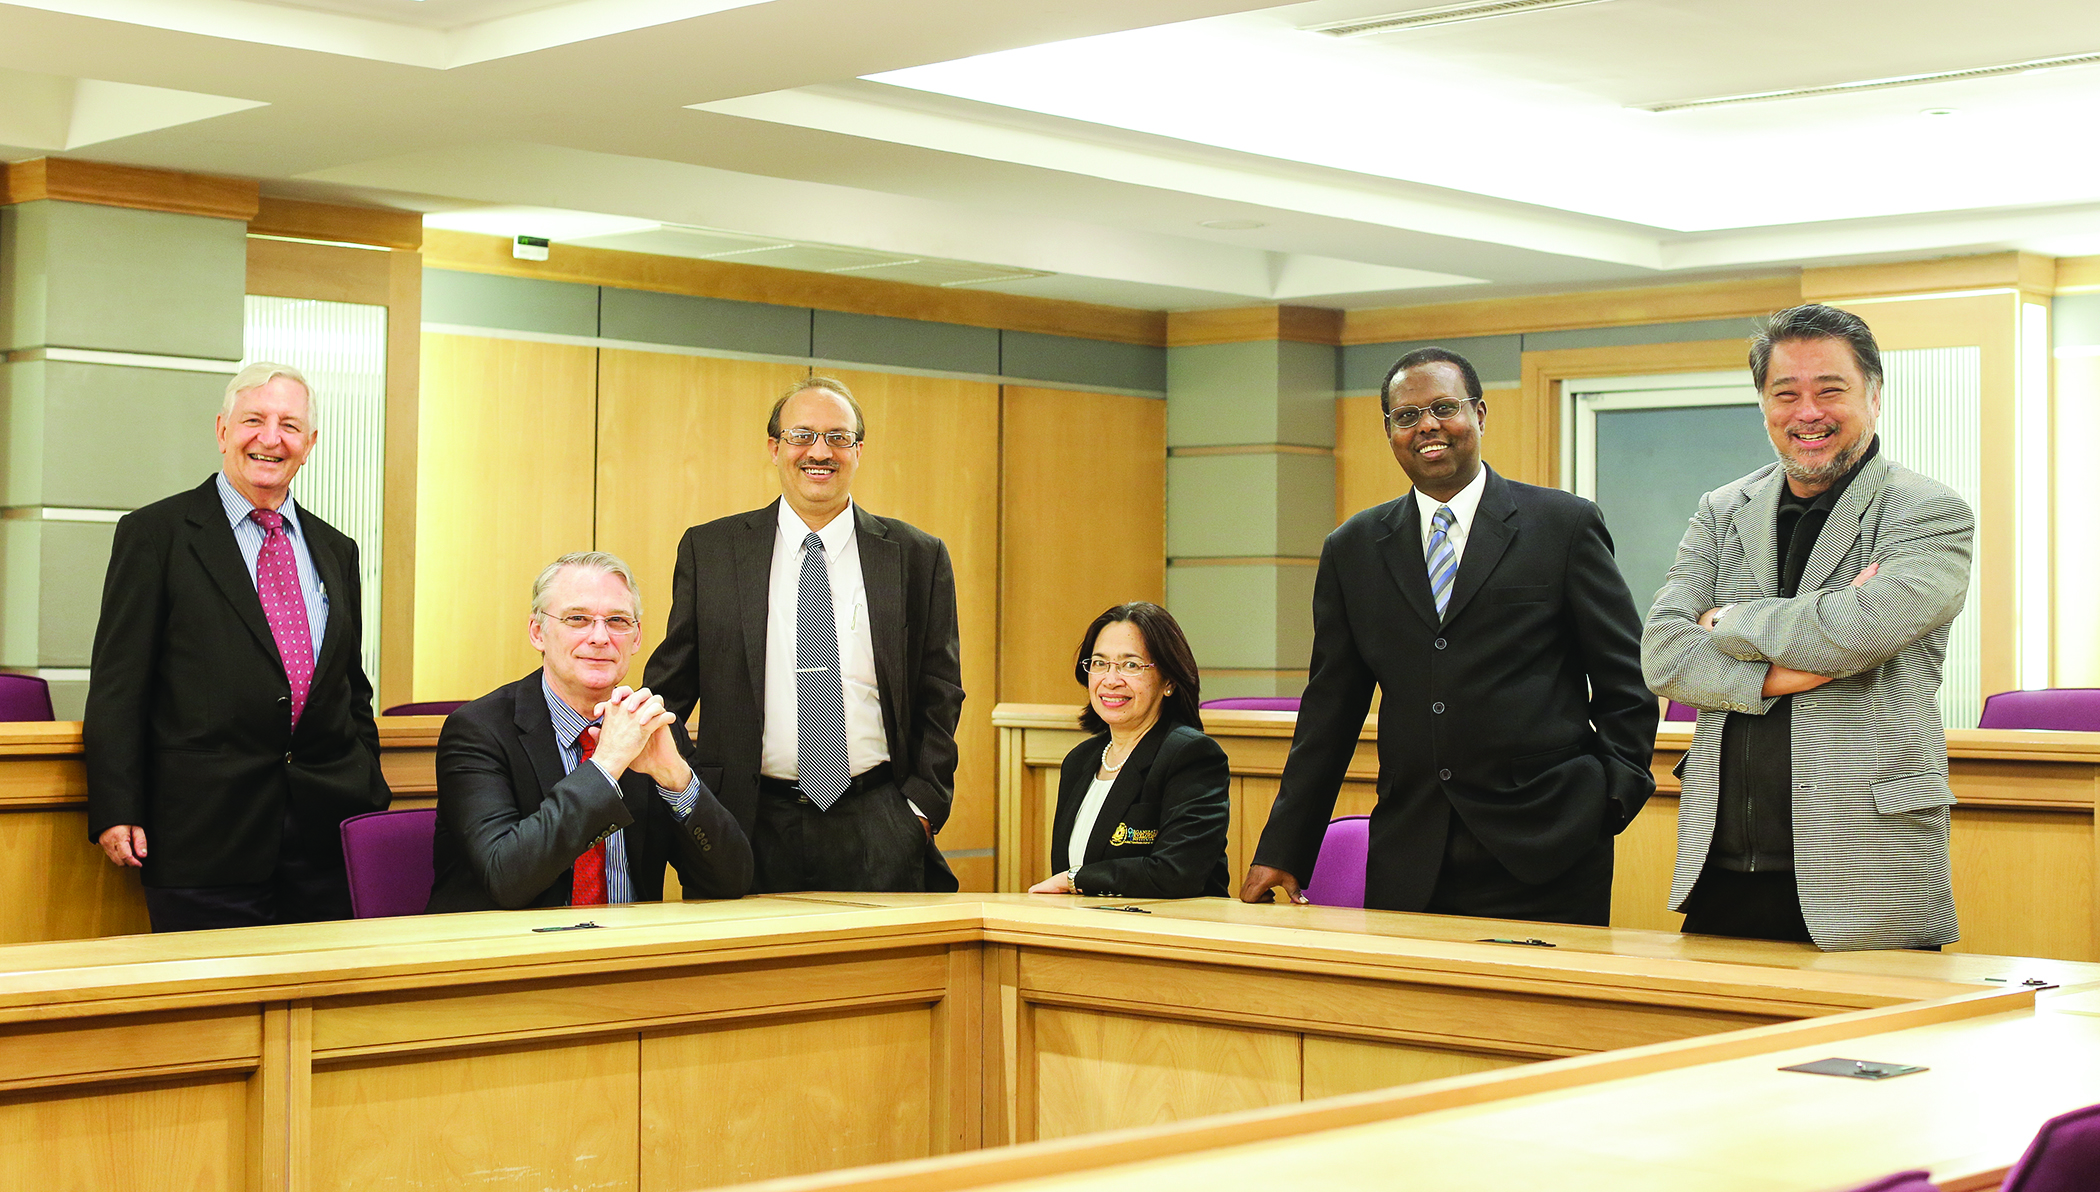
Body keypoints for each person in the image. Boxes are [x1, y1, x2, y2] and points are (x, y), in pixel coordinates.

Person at [1239, 347, 1658, 924]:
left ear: (1479, 414)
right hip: (1411, 849)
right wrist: (1285, 846)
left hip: (1549, 843)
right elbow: (1330, 711)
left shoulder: (1563, 525)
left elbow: (1626, 680)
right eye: (1407, 416)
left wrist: (1610, 797)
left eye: (1443, 408)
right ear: (1390, 432)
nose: (1427, 426)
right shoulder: (1352, 548)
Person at [1643, 304, 1973, 951]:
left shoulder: (1928, 510)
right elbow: (1663, 654)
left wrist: (1725, 620)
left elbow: (1861, 631)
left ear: (1874, 396)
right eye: (1785, 394)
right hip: (1722, 863)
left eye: (1830, 390)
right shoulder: (1722, 509)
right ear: (1764, 404)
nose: (1808, 413)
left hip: (1867, 870)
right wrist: (1785, 671)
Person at [84, 362, 390, 932]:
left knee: (321, 987)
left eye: (289, 425)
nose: (270, 438)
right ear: (222, 430)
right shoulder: (156, 535)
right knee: (210, 989)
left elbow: (350, 687)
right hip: (202, 837)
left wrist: (367, 785)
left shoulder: (337, 549)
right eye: (254, 420)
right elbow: (118, 685)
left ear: (310, 444)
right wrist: (115, 806)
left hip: (326, 839)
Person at [644, 376, 963, 893]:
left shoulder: (916, 556)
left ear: (858, 451)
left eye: (838, 437)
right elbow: (668, 693)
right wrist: (695, 800)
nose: (820, 452)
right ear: (775, 448)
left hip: (879, 821)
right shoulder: (712, 551)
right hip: (743, 821)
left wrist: (920, 809)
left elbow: (940, 689)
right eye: (802, 436)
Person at [427, 552, 750, 911]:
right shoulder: (478, 731)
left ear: (637, 637)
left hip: (628, 941)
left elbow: (730, 880)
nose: (599, 637)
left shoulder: (651, 726)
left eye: (617, 621)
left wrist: (677, 781)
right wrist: (606, 764)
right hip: (506, 942)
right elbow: (506, 879)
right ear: (538, 632)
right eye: (577, 619)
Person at [1028, 603, 1229, 899]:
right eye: (1099, 663)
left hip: (1170, 925)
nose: (1111, 680)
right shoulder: (1079, 761)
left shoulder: (1191, 755)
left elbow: (1177, 873)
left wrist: (1075, 879)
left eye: (1131, 665)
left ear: (1169, 680)